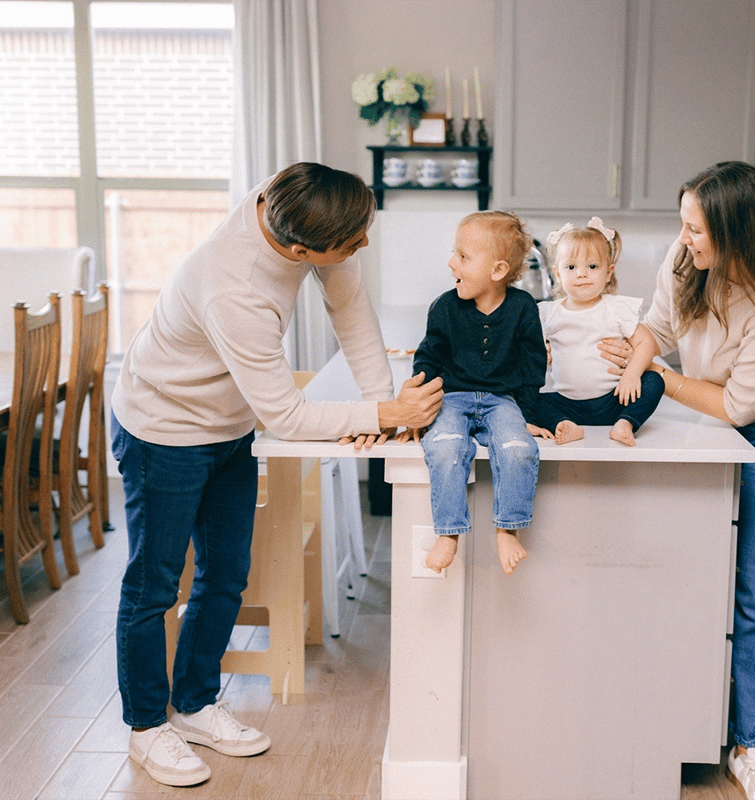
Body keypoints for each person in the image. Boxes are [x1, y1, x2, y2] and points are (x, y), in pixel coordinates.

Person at [110, 162, 443, 787]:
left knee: (226, 573)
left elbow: (352, 313)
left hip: (229, 424)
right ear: (297, 250)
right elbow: (287, 416)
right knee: (154, 586)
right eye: (351, 244)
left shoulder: (310, 208)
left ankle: (195, 704)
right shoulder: (229, 287)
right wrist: (384, 410)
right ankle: (146, 727)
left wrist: (385, 411)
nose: (362, 246)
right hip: (164, 427)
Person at [601, 162, 755, 800]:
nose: (686, 241)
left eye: (699, 230)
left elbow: (736, 405)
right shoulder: (686, 265)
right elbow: (654, 326)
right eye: (683, 225)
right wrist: (637, 359)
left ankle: (751, 744)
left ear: (741, 235)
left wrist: (657, 379)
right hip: (742, 424)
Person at [398, 210, 552, 575]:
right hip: (452, 399)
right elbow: (428, 361)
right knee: (445, 444)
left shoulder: (523, 309)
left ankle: (507, 529)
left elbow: (533, 368)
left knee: (518, 449)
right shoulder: (443, 308)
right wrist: (416, 411)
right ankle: (449, 533)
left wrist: (528, 416)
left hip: (504, 402)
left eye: (463, 256)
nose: (452, 262)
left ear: (498, 271)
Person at [537, 217, 664, 446]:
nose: (582, 274)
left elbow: (647, 343)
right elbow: (526, 348)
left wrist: (632, 373)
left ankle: (625, 423)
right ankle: (564, 424)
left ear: (608, 273)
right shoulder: (548, 314)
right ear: (557, 273)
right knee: (527, 400)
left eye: (592, 266)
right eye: (571, 267)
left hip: (615, 399)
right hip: (567, 403)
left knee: (655, 381)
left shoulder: (616, 308)